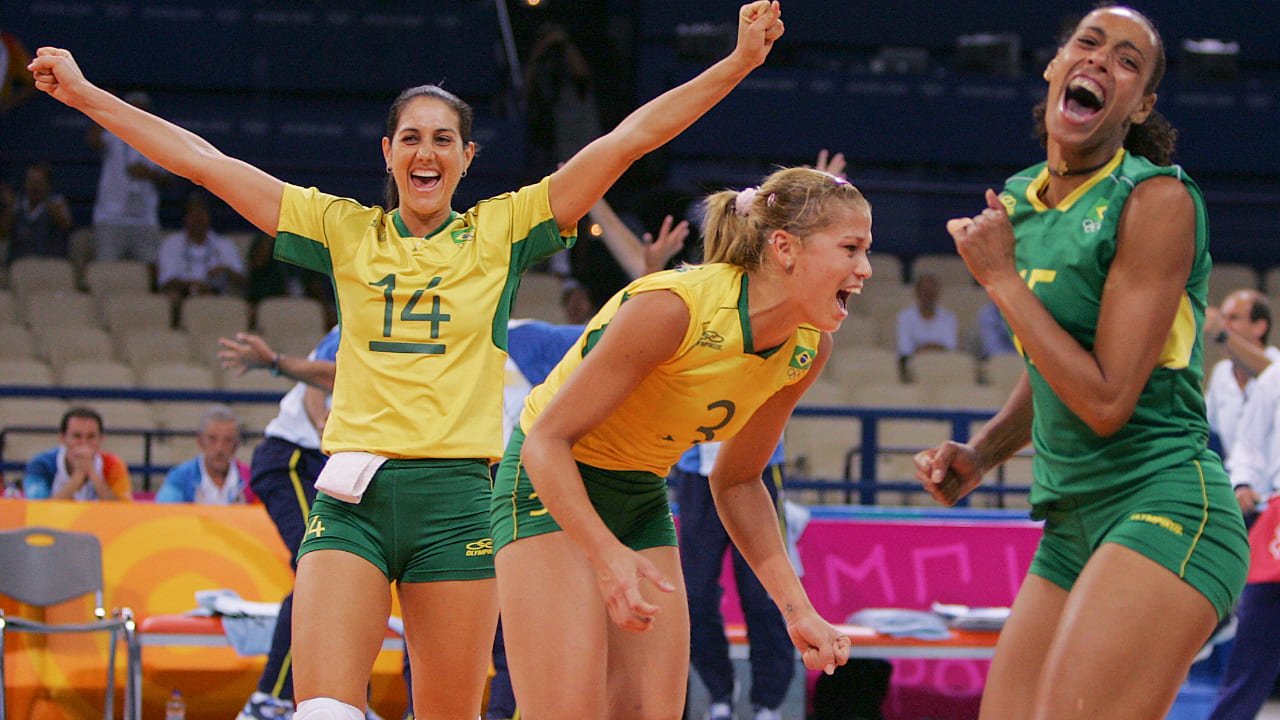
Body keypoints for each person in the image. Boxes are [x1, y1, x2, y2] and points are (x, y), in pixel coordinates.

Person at [29, 3, 783, 716]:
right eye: (412, 138)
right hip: (351, 501)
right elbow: (205, 163)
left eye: (444, 139)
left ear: (468, 157)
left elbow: (626, 141)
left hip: (459, 504)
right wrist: (88, 95)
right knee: (322, 707)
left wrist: (738, 63)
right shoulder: (341, 229)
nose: (427, 152)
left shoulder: (502, 231)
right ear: (387, 153)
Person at [913, 6, 1249, 718]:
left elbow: (1104, 401)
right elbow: (1052, 365)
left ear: (1141, 106)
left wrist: (1001, 279)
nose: (1100, 60)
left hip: (1164, 502)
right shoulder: (1020, 199)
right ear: (1054, 66)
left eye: (1127, 61)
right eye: (1088, 43)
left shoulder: (1156, 199)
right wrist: (984, 451)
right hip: (1071, 522)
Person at [491, 158, 863, 718]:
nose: (865, 269)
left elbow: (739, 481)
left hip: (640, 494)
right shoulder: (675, 308)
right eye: (850, 249)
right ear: (786, 248)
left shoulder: (807, 347)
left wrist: (798, 610)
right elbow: (546, 442)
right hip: (548, 485)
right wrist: (605, 554)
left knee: (651, 710)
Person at [217, 328, 370, 720]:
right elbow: (318, 384)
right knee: (318, 570)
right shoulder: (356, 320)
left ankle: (351, 700)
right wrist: (322, 426)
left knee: (352, 575)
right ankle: (271, 699)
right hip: (294, 459)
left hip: (341, 465)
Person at [674, 440, 792, 720]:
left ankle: (768, 703)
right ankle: (720, 693)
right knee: (695, 598)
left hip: (756, 469)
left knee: (762, 596)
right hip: (697, 475)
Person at [1209, 360, 1280, 720]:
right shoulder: (1275, 376)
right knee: (1254, 636)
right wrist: (1243, 483)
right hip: (1275, 518)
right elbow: (1248, 445)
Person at [86, 90, 165, 266]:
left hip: (144, 218)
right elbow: (93, 141)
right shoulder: (113, 133)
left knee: (152, 269)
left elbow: (170, 179)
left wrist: (149, 174)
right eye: (132, 109)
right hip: (111, 217)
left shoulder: (158, 138)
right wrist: (102, 106)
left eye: (141, 110)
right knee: (106, 270)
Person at [1203, 290, 1277, 458]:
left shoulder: (1275, 365)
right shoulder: (1221, 372)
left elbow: (1270, 373)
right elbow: (1206, 426)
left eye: (1233, 318)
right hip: (1236, 471)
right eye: (1222, 318)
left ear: (1259, 327)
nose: (1225, 324)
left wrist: (1221, 333)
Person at [156, 190, 247, 324]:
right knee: (170, 298)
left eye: (201, 213)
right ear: (185, 218)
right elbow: (165, 282)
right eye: (193, 214)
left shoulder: (224, 244)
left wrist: (226, 270)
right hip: (183, 296)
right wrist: (193, 286)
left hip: (216, 296)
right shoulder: (171, 243)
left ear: (209, 217)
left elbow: (243, 282)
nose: (197, 218)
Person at [21, 406, 132, 501]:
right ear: (62, 438)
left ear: (101, 439)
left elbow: (124, 510)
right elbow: (37, 510)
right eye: (76, 436)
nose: (84, 443)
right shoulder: (41, 465)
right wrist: (78, 477)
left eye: (91, 437)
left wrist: (93, 474)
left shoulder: (114, 465)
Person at [154, 404, 253, 505]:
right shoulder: (180, 478)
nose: (219, 448)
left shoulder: (251, 479)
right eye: (212, 439)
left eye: (228, 440)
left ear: (236, 444)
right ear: (200, 441)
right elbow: (164, 511)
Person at [3, 161, 73, 265]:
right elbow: (3, 233)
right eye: (30, 182)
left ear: (48, 185)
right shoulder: (16, 204)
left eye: (38, 183)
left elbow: (67, 226)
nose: (34, 187)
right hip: (19, 264)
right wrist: (9, 207)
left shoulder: (57, 202)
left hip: (49, 264)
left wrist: (48, 203)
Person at [896, 272, 958, 381]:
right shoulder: (905, 317)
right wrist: (934, 348)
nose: (929, 298)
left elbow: (950, 348)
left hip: (943, 367)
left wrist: (922, 348)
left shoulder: (949, 318)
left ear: (937, 295)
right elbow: (905, 349)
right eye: (926, 293)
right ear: (917, 293)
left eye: (932, 294)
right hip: (914, 369)